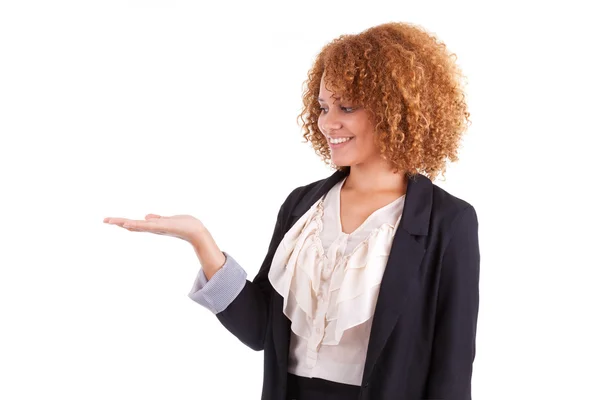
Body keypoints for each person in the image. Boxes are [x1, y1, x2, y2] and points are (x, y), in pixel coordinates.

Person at [104, 21, 480, 400]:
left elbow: (452, 367)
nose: (327, 122)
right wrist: (201, 240)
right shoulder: (304, 206)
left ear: (393, 109)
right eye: (322, 106)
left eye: (346, 107)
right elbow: (259, 330)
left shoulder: (447, 222)